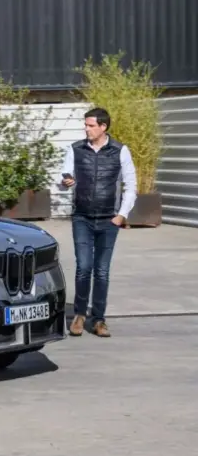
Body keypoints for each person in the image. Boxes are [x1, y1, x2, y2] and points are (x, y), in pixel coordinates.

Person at [57, 107, 137, 338]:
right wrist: (65, 182)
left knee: (102, 271)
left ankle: (99, 319)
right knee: (83, 268)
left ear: (103, 127)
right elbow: (63, 177)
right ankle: (80, 315)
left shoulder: (120, 151)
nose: (86, 129)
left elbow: (131, 185)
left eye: (91, 125)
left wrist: (121, 215)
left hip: (109, 219)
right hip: (82, 217)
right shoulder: (75, 149)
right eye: (86, 125)